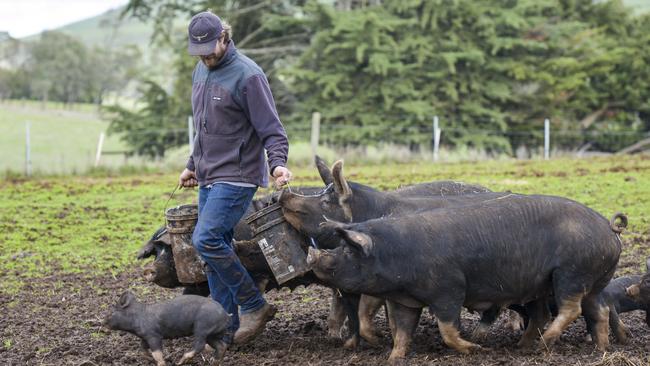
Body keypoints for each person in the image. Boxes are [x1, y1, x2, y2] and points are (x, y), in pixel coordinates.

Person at [178, 11, 292, 348]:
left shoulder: (248, 76)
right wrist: (192, 164)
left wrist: (277, 166)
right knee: (215, 254)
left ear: (225, 38)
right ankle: (222, 331)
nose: (206, 56)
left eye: (211, 49)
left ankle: (254, 305)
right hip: (209, 174)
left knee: (206, 239)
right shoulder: (201, 69)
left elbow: (272, 130)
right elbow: (204, 127)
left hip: (238, 175)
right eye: (199, 51)